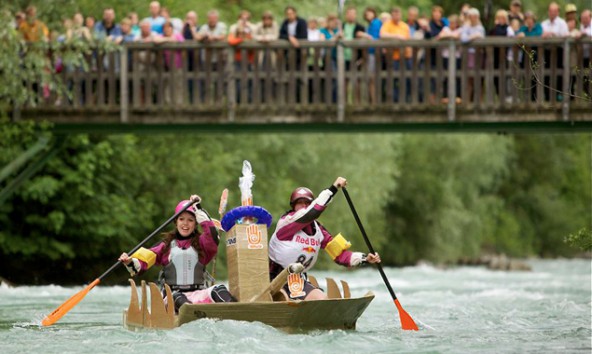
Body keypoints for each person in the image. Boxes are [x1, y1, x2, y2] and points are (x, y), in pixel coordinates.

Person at [268, 177, 381, 301]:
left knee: (321, 299)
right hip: (272, 279)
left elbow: (339, 254)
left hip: (295, 280)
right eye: (300, 203)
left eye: (307, 203)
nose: (304, 206)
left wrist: (365, 258)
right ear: (293, 206)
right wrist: (333, 188)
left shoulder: (319, 230)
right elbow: (311, 212)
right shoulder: (287, 222)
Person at [119, 196, 235, 312]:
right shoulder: (165, 246)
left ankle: (235, 309)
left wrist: (198, 208)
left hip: (197, 294)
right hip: (172, 297)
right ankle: (192, 313)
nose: (185, 224)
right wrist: (129, 261)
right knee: (178, 298)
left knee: (219, 289)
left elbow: (212, 235)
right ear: (176, 222)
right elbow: (142, 262)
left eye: (190, 220)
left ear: (195, 223)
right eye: (181, 219)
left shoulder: (202, 243)